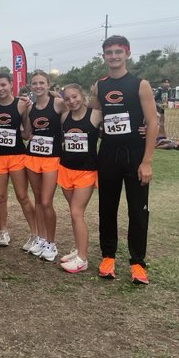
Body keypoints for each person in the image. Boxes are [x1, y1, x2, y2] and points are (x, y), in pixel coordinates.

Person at [90, 35, 157, 285]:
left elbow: (152, 123)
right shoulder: (100, 86)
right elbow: (94, 119)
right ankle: (108, 256)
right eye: (109, 52)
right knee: (107, 207)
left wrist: (147, 161)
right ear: (104, 56)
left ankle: (138, 262)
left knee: (138, 211)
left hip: (135, 155)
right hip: (108, 154)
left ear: (127, 53)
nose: (114, 56)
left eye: (118, 52)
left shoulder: (140, 84)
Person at [0, 73, 36, 249]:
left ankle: (35, 233)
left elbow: (27, 133)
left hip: (17, 155)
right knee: (0, 197)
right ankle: (3, 232)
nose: (0, 89)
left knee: (22, 196)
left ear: (11, 84)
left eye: (3, 85)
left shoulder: (21, 104)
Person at [57, 84, 102, 273]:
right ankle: (78, 249)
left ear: (82, 96)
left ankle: (82, 259)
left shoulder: (95, 114)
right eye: (67, 99)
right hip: (66, 169)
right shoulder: (65, 116)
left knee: (77, 213)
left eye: (75, 97)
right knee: (73, 212)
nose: (72, 101)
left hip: (87, 171)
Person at [23, 70, 66, 262]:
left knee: (47, 201)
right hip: (33, 156)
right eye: (34, 83)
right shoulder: (31, 109)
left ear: (48, 84)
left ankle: (51, 242)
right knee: (38, 200)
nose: (38, 86)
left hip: (52, 158)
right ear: (31, 86)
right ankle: (40, 238)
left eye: (41, 83)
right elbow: (27, 133)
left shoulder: (57, 103)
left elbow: (76, 116)